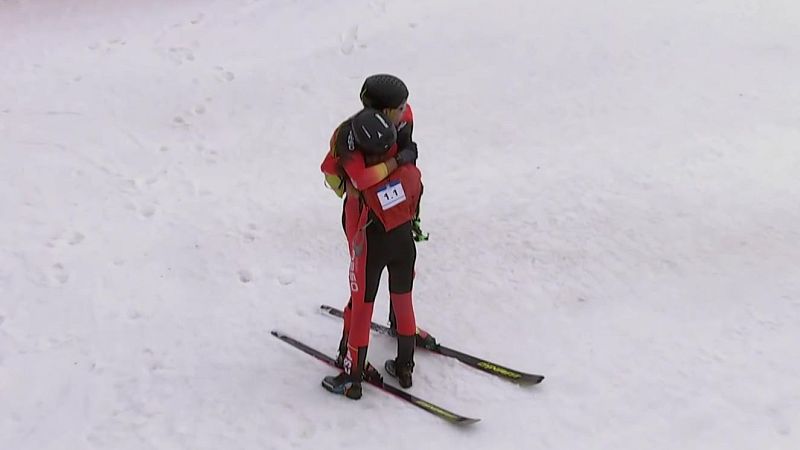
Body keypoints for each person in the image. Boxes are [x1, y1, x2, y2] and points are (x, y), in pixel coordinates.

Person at [320, 107, 423, 399]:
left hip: (371, 248)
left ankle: (353, 378)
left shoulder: (361, 185)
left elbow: (340, 176)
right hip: (404, 245)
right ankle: (405, 367)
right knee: (404, 303)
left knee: (362, 308)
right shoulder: (411, 172)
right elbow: (415, 203)